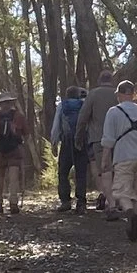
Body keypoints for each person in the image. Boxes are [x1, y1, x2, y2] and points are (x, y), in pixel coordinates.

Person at [101, 78, 137, 241]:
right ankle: (135, 226)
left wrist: (105, 160)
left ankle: (129, 213)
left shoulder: (113, 112)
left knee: (120, 191)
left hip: (123, 156)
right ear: (134, 94)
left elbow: (108, 139)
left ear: (118, 95)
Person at [0, 91, 29, 216]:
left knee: (0, 176)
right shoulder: (19, 116)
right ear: (11, 103)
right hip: (14, 149)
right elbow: (27, 134)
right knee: (13, 176)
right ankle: (13, 202)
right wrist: (23, 146)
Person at [48, 80, 90, 211]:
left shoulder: (62, 106)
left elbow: (56, 125)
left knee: (63, 172)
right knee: (81, 172)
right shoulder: (84, 105)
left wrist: (54, 142)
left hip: (66, 142)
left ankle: (65, 201)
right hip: (81, 141)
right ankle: (81, 202)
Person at [82, 68, 118, 215]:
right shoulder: (119, 94)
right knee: (119, 170)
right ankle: (120, 200)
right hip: (120, 138)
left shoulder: (93, 94)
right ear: (112, 80)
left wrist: (79, 137)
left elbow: (83, 117)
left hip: (98, 139)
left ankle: (111, 202)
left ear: (99, 80)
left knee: (105, 170)